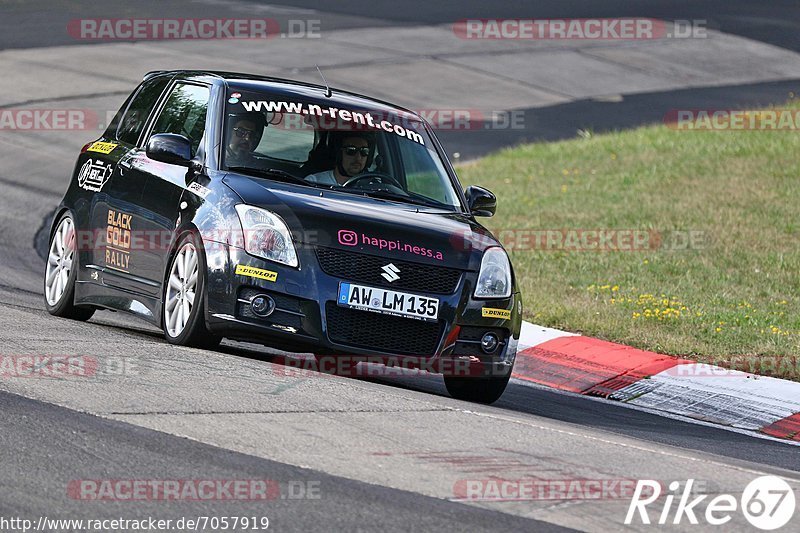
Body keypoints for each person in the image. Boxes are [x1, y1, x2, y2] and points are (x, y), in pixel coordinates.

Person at [306, 132, 374, 186]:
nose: (358, 158)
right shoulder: (314, 182)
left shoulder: (374, 187)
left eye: (364, 151)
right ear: (338, 153)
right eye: (351, 150)